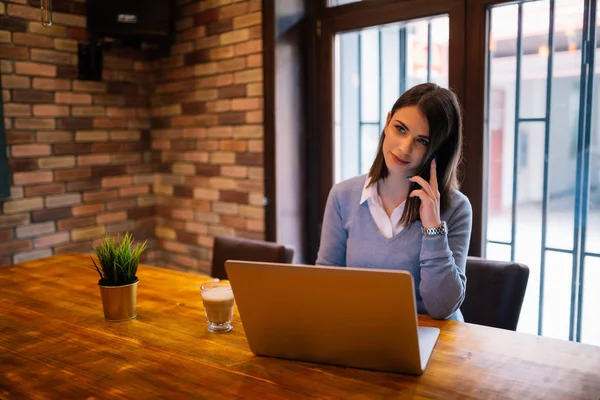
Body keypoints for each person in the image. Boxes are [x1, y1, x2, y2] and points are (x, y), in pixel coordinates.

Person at [316, 83, 472, 321]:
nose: (405, 148)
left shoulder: (456, 208)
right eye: (400, 129)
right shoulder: (342, 196)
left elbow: (442, 307)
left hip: (435, 339)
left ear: (438, 150)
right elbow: (324, 286)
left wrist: (432, 227)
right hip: (362, 329)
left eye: (423, 141)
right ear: (388, 122)